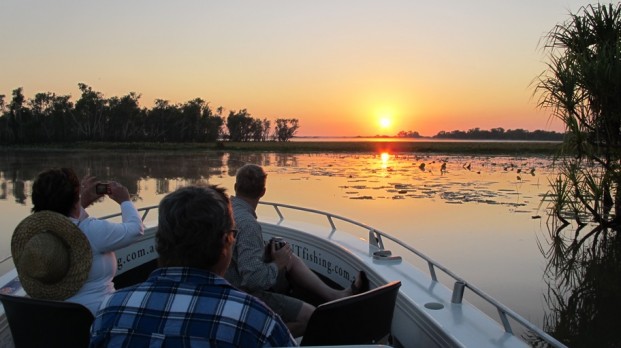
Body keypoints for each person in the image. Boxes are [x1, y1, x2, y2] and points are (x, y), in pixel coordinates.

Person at [90, 185, 296, 347]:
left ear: (160, 241)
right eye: (233, 234)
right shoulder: (255, 319)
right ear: (226, 241)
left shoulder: (110, 311)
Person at [225, 164, 369, 337]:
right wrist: (277, 264)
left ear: (235, 187)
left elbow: (240, 257)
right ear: (263, 192)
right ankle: (259, 341)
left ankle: (335, 296)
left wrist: (267, 255)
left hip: (229, 281)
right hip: (241, 294)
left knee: (290, 259)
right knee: (311, 316)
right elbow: (253, 280)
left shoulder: (226, 211)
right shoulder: (248, 224)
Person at [11, 168, 144, 315]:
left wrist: (82, 203)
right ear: (74, 197)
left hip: (53, 318)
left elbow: (65, 223)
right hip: (100, 317)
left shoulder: (36, 238)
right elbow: (135, 230)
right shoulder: (91, 230)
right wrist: (124, 200)